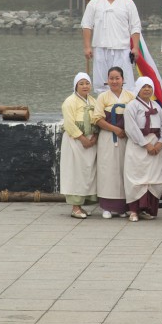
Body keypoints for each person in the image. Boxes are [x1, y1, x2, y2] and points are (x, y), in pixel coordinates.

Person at [81, 0, 142, 92]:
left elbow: (135, 27)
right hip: (100, 49)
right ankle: (103, 108)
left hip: (122, 49)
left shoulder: (128, 3)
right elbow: (87, 25)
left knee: (125, 84)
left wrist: (135, 47)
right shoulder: (94, 3)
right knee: (101, 84)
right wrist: (87, 47)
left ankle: (124, 109)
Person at [122, 76, 162, 222]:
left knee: (153, 178)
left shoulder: (157, 106)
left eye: (149, 87)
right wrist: (145, 144)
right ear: (138, 89)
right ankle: (134, 210)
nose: (147, 89)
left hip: (155, 145)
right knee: (136, 177)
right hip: (138, 146)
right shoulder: (132, 106)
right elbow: (131, 128)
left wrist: (160, 143)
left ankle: (148, 209)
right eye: (144, 87)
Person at [92, 66, 133, 219]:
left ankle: (123, 206)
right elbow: (97, 118)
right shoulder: (103, 97)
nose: (114, 81)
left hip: (126, 138)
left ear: (123, 80)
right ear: (107, 80)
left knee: (124, 169)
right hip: (108, 138)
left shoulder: (130, 96)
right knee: (107, 170)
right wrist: (115, 129)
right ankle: (107, 206)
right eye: (111, 78)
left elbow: (136, 117)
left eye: (117, 78)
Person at [61, 72, 98, 219]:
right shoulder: (69, 102)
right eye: (81, 83)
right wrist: (82, 138)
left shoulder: (93, 101)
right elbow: (69, 123)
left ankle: (82, 204)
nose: (85, 86)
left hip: (91, 141)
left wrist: (94, 135)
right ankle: (75, 207)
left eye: (87, 83)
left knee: (87, 173)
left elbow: (98, 118)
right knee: (75, 173)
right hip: (75, 141)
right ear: (76, 86)